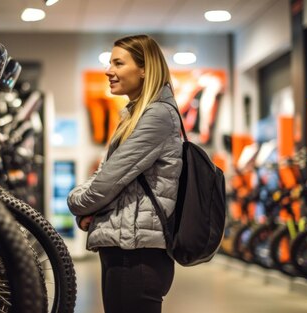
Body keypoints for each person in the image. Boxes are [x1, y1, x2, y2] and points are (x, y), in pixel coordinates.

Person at [67, 34, 183, 313]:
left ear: (144, 69)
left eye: (118, 63)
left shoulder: (158, 116)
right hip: (125, 248)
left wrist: (76, 203)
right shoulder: (135, 116)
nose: (109, 71)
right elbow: (109, 174)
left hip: (137, 254)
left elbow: (108, 180)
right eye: (110, 63)